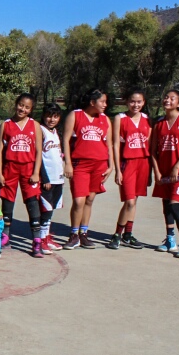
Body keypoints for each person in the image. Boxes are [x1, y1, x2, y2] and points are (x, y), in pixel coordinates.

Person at [62, 88, 113, 250]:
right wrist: (68, 163)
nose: (105, 105)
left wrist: (110, 165)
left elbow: (109, 144)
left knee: (89, 200)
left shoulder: (105, 120)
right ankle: (74, 234)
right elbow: (66, 139)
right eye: (102, 101)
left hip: (99, 165)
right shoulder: (75, 115)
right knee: (79, 201)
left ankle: (84, 233)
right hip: (80, 164)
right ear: (92, 102)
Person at [0, 93, 44, 257]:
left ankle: (37, 240)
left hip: (28, 168)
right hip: (10, 166)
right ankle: (6, 235)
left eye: (27, 107)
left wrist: (36, 171)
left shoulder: (34, 125)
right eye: (21, 105)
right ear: (16, 104)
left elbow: (38, 151)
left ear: (31, 110)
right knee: (7, 200)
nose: (22, 109)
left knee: (32, 201)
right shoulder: (6, 124)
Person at [150, 90, 179, 258]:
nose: (167, 100)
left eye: (172, 98)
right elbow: (153, 151)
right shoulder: (159, 123)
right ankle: (170, 239)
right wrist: (157, 170)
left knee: (175, 205)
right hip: (164, 169)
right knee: (166, 205)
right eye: (166, 97)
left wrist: (177, 166)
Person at [108, 89, 151, 250]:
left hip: (143, 163)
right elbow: (116, 145)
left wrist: (151, 171)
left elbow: (151, 145)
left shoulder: (147, 119)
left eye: (139, 101)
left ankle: (128, 234)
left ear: (144, 103)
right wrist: (118, 170)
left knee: (134, 201)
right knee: (129, 201)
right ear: (127, 102)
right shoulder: (120, 118)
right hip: (128, 163)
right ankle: (117, 234)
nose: (136, 104)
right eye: (132, 101)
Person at [38, 103, 65, 253]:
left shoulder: (56, 132)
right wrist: (45, 178)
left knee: (52, 209)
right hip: (47, 179)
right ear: (43, 116)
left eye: (55, 116)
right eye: (49, 116)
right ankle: (41, 239)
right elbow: (39, 157)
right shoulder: (41, 131)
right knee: (45, 209)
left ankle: (47, 236)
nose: (52, 119)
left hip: (58, 178)